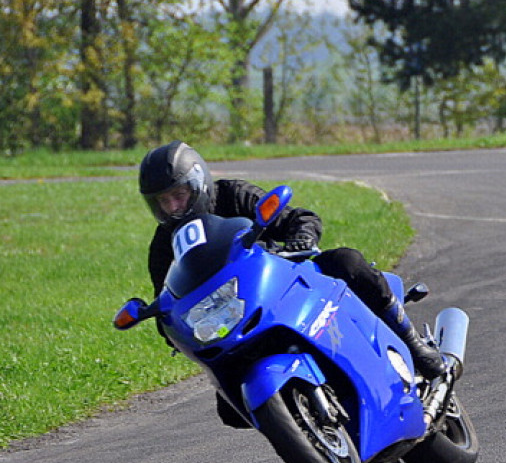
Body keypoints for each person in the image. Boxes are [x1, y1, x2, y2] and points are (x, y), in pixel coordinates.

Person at [139, 140, 446, 386]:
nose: (173, 207)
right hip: (235, 318)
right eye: (162, 202)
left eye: (178, 195)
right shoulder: (163, 246)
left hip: (285, 282)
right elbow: (165, 303)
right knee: (230, 410)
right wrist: (170, 324)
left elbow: (300, 218)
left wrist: (300, 239)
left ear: (198, 182)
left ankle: (413, 343)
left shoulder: (233, 195)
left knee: (347, 261)